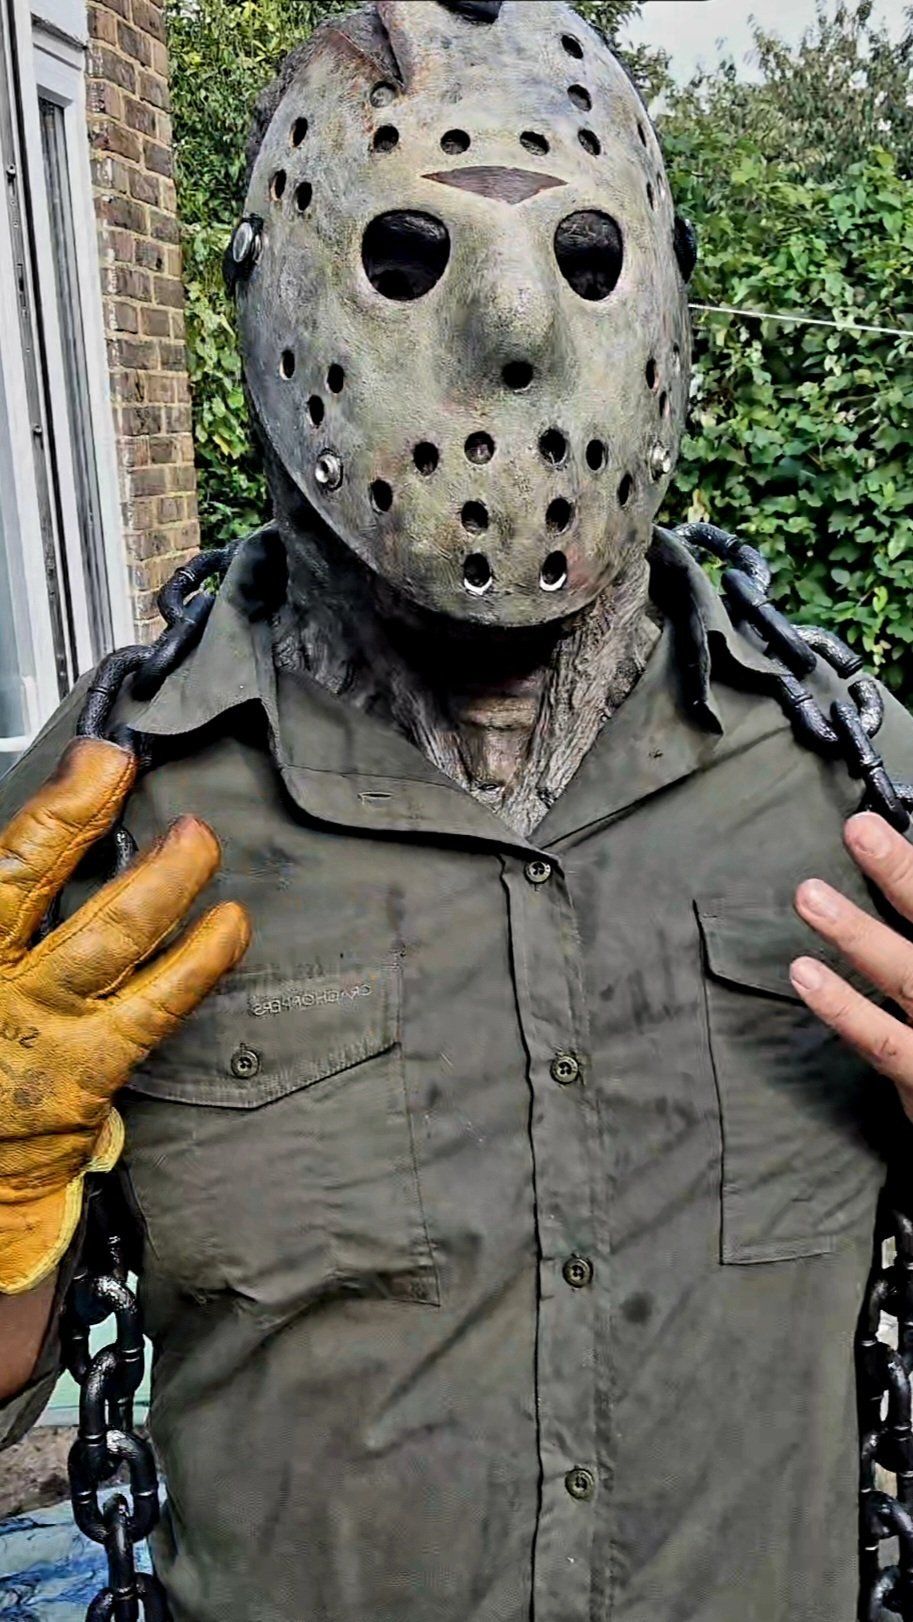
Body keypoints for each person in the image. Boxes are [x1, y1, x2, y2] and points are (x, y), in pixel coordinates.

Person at [2, 3, 913, 1618]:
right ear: (267, 292)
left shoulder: (853, 784)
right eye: (410, 253)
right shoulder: (96, 818)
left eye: (582, 255)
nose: (512, 331)